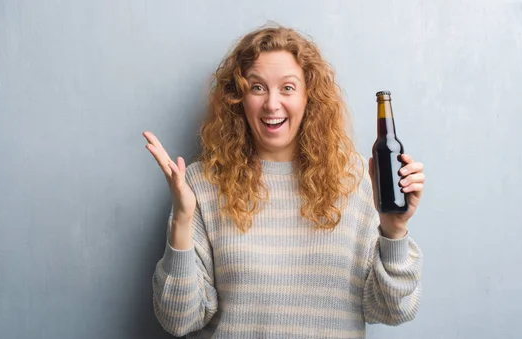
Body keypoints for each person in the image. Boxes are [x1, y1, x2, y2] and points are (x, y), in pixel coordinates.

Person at [142, 24, 425, 339]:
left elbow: (391, 310)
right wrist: (182, 218)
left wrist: (394, 231)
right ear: (238, 97)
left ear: (309, 96)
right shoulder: (201, 184)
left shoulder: (358, 178)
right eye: (257, 87)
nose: (272, 104)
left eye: (287, 88)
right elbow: (178, 320)